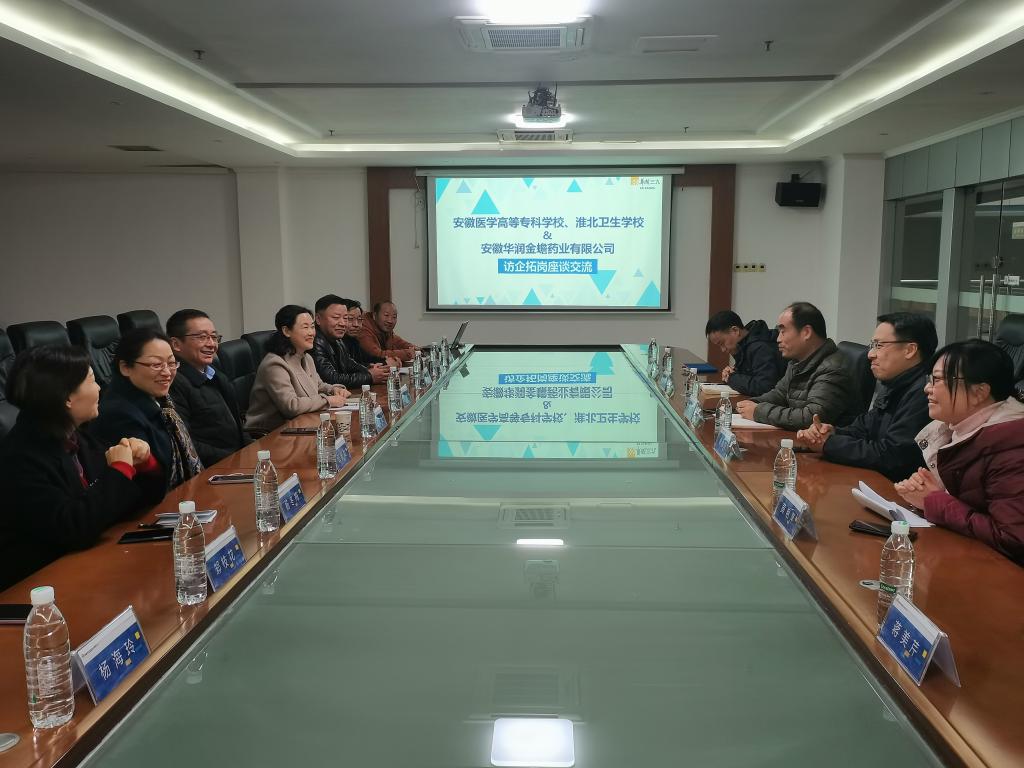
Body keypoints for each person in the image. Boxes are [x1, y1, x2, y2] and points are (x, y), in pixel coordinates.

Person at [0, 346, 164, 589]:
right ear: (66, 397)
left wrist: (145, 465)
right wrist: (119, 471)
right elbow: (73, 528)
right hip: (42, 586)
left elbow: (132, 502)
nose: (99, 389)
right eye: (92, 380)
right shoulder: (19, 458)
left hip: (95, 564)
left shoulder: (78, 437)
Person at [895, 339, 1024, 565]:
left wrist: (934, 501)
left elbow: (1013, 538)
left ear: (979, 393)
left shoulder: (1012, 450)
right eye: (930, 380)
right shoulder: (957, 429)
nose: (927, 388)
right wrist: (928, 491)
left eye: (937, 380)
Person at [797, 313, 935, 481]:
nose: (870, 354)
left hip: (897, 489)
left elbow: (892, 455)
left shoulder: (926, 393)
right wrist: (831, 432)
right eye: (872, 345)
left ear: (910, 350)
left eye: (879, 345)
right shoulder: (895, 383)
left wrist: (829, 443)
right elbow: (864, 428)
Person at [93, 328, 203, 493]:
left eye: (171, 363)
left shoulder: (162, 400)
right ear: (125, 367)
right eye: (156, 365)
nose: (167, 372)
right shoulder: (119, 414)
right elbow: (144, 485)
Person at [734, 301, 858, 430]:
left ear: (806, 332)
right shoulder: (797, 361)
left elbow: (811, 418)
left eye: (783, 331)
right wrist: (751, 404)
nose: (778, 339)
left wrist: (758, 411)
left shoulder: (833, 369)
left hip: (823, 441)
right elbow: (779, 394)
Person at [245, 305, 350, 434]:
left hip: (301, 425)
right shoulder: (274, 364)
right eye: (305, 327)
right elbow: (291, 406)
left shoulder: (306, 357)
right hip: (272, 433)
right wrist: (328, 400)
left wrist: (333, 389)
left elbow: (317, 385)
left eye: (312, 327)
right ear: (286, 331)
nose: (311, 333)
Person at [166, 309, 250, 466]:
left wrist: (252, 452)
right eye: (202, 337)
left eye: (214, 337)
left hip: (236, 461)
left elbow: (237, 426)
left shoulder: (216, 374)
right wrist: (235, 460)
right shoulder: (173, 383)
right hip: (214, 469)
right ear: (176, 344)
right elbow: (186, 444)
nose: (211, 344)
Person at [704, 310, 785, 396]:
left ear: (735, 330)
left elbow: (764, 387)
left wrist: (732, 378)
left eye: (722, 343)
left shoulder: (760, 347)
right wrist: (731, 373)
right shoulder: (744, 345)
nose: (723, 349)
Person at [311, 294, 380, 387]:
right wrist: (370, 376)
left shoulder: (337, 340)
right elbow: (331, 379)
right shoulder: (313, 342)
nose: (343, 323)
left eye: (345, 318)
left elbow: (348, 363)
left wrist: (368, 369)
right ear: (318, 319)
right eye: (336, 317)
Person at [343, 299, 398, 370]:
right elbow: (349, 367)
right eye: (350, 319)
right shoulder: (338, 342)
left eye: (359, 319)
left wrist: (388, 360)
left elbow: (367, 358)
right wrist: (385, 363)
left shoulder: (353, 340)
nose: (356, 324)